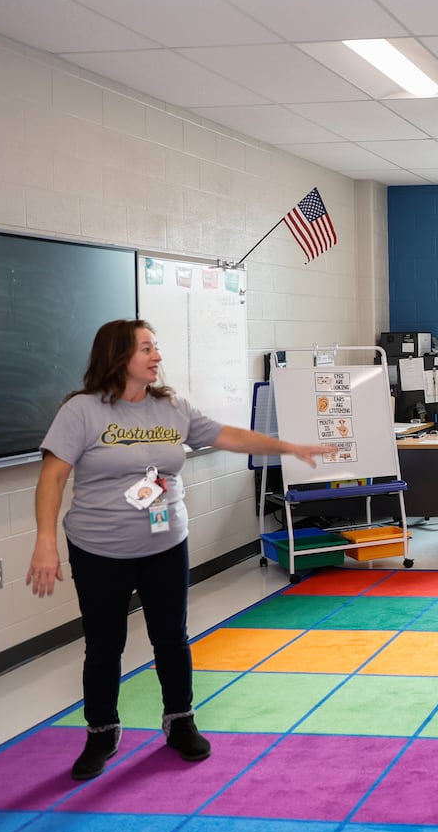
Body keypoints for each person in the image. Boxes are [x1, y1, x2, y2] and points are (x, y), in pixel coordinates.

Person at [27, 319, 335, 781]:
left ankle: (179, 722)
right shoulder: (82, 412)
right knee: (104, 645)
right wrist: (45, 541)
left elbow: (228, 436)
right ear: (117, 357)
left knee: (171, 636)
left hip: (165, 543)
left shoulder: (171, 408)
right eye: (146, 348)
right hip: (99, 550)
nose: (157, 356)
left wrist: (286, 446)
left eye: (156, 347)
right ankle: (101, 731)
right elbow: (52, 477)